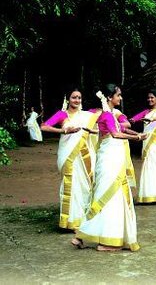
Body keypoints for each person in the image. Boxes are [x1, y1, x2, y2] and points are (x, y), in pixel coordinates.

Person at [72, 84, 146, 251]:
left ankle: (80, 236)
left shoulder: (111, 115)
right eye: (118, 95)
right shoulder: (106, 115)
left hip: (111, 157)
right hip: (110, 159)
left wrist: (137, 134)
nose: (120, 98)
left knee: (104, 196)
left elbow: (121, 128)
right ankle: (107, 242)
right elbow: (116, 134)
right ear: (109, 98)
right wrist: (136, 139)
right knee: (109, 197)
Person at [41, 89, 101, 231]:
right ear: (67, 99)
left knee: (85, 185)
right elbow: (44, 126)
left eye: (79, 98)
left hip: (85, 155)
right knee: (72, 185)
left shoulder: (87, 116)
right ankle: (70, 221)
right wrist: (63, 131)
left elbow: (103, 120)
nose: (77, 100)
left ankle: (82, 218)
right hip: (68, 155)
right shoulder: (62, 114)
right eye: (74, 97)